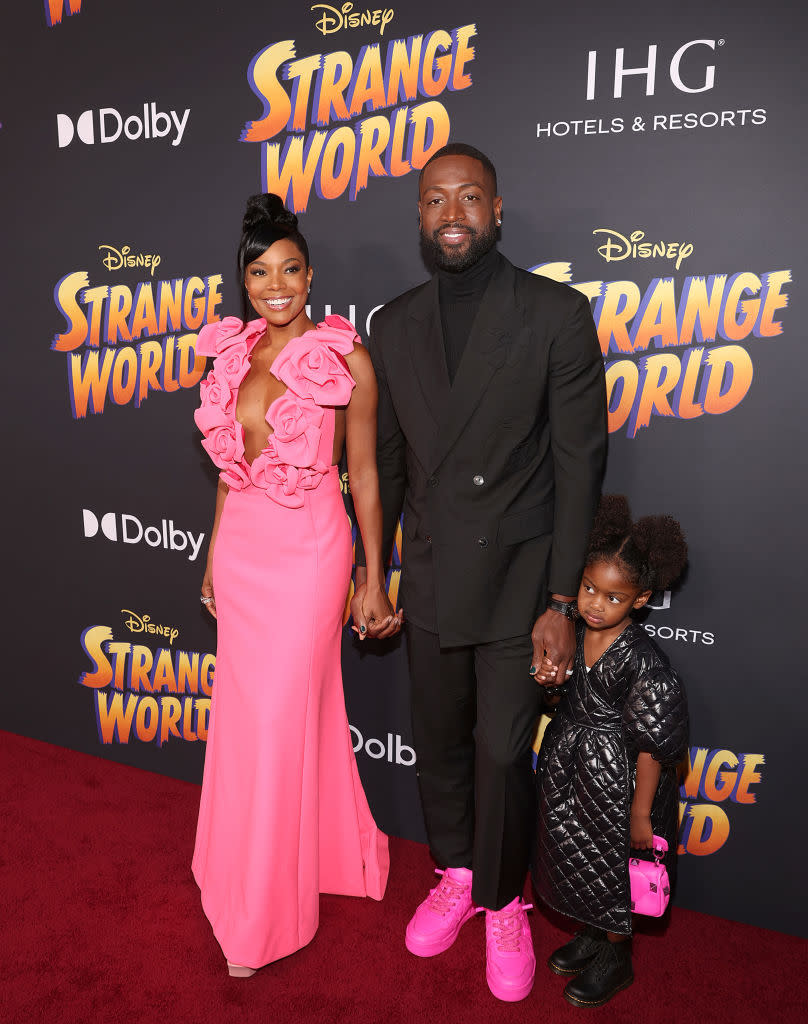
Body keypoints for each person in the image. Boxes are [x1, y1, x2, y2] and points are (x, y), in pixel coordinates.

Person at [352, 143, 607, 1002]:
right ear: (419, 216)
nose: (451, 212)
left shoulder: (555, 315)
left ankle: (503, 901)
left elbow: (581, 468)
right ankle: (457, 875)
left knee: (502, 752)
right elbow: (383, 467)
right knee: (440, 747)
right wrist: (372, 571)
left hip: (519, 581)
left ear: (498, 211)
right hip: (425, 573)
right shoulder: (392, 325)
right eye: (434, 200)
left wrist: (563, 599)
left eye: (469, 198)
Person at [192, 193, 399, 977]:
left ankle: (261, 919)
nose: (274, 286)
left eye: (288, 270)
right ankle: (250, 865)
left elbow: (368, 477)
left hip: (312, 553)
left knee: (279, 720)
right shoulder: (233, 354)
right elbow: (226, 472)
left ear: (310, 275)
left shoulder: (347, 359)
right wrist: (213, 557)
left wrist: (375, 578)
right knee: (252, 723)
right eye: (258, 272)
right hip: (243, 552)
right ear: (243, 282)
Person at [532, 495, 689, 1008]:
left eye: (612, 597)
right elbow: (561, 701)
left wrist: (641, 813)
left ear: (640, 600)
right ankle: (593, 936)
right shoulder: (574, 634)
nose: (595, 603)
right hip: (572, 775)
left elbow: (653, 746)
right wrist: (553, 684)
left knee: (616, 874)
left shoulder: (645, 661)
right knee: (579, 863)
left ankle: (616, 957)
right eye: (588, 588)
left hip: (620, 785)